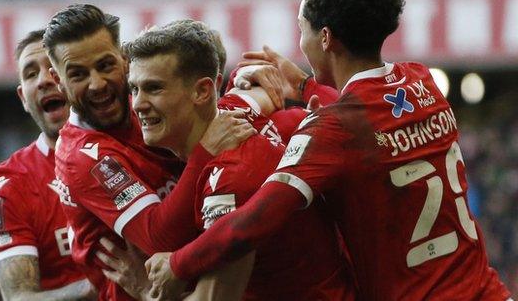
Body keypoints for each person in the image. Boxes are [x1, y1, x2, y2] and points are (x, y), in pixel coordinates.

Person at [146, 0, 512, 301]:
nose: (300, 43)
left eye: (302, 29)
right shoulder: (420, 81)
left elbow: (255, 221)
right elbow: (370, 116)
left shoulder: (332, 130)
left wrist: (179, 263)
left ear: (325, 38)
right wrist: (306, 87)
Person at [121, 22, 355, 300]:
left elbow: (213, 298)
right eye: (134, 89)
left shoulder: (232, 177)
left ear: (202, 91)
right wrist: (248, 74)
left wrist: (144, 294)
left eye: (154, 88)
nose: (137, 104)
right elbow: (258, 92)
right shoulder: (234, 109)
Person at [43, 4, 258, 301]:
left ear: (123, 59)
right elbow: (160, 238)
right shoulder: (82, 157)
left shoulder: (143, 105)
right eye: (78, 74)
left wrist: (250, 90)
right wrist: (206, 151)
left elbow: (207, 106)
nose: (97, 84)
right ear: (57, 80)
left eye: (105, 66)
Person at [0, 29, 95, 300]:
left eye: (53, 67)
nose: (44, 80)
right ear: (23, 98)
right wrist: (99, 286)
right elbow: (18, 297)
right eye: (31, 73)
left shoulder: (135, 145)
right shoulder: (8, 185)